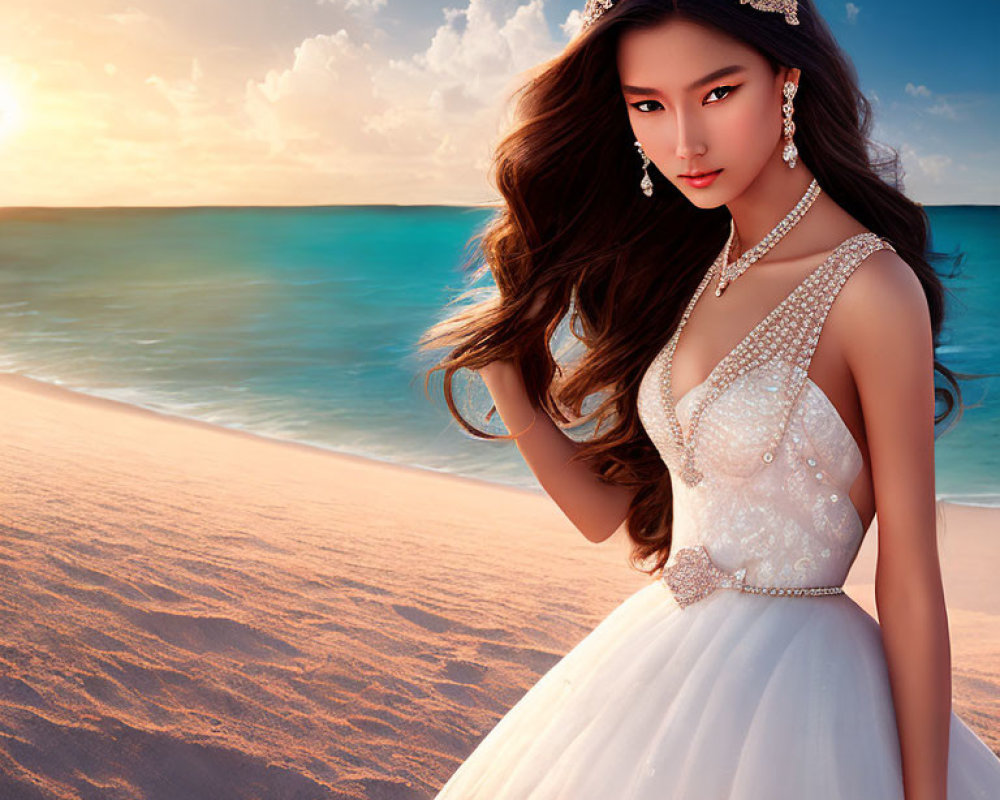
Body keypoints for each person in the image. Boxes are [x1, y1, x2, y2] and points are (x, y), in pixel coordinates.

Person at [417, 1, 1000, 797]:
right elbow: (605, 515)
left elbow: (909, 577)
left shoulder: (871, 287)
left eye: (718, 93)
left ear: (786, 82)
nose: (683, 142)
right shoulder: (695, 272)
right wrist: (506, 375)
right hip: (656, 659)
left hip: (805, 693)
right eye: (648, 105)